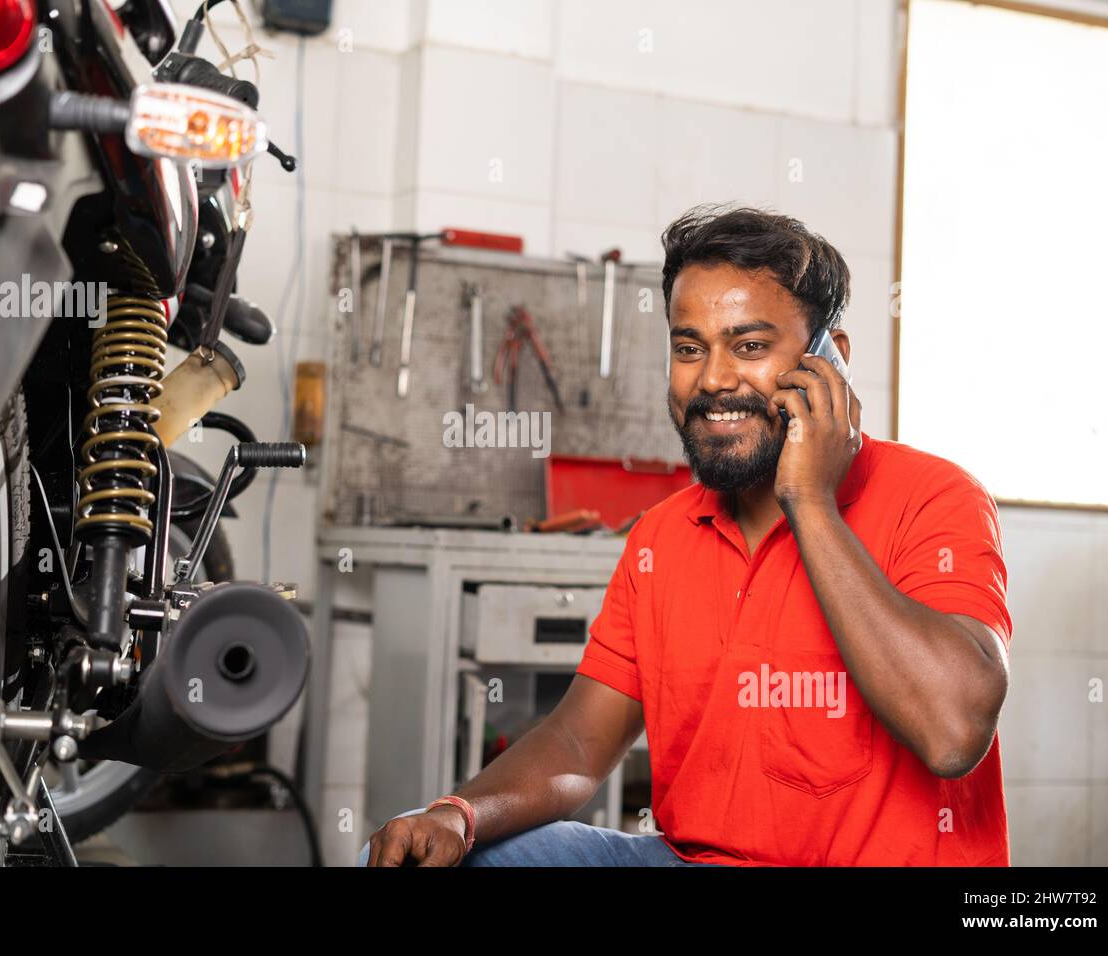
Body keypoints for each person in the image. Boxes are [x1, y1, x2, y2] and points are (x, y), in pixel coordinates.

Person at [361, 205, 1012, 867]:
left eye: (751, 346)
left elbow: (953, 734)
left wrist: (810, 503)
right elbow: (579, 746)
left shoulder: (933, 497)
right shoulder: (662, 536)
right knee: (418, 858)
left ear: (833, 363)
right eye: (689, 347)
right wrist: (459, 814)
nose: (713, 379)